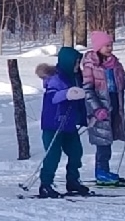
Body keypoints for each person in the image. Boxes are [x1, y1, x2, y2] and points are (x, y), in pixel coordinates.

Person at [79, 30, 125, 184]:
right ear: (98, 47)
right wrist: (96, 109)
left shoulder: (115, 64)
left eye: (111, 45)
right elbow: (87, 89)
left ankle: (105, 170)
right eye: (106, 45)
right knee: (103, 142)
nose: (110, 48)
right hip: (99, 109)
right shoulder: (91, 65)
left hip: (114, 104)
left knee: (108, 139)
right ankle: (101, 172)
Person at [33, 58, 91, 198]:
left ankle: (73, 180)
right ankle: (46, 184)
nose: (78, 66)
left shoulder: (77, 78)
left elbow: (80, 103)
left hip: (69, 124)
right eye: (75, 62)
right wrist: (66, 94)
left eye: (79, 62)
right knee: (53, 155)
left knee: (76, 152)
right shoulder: (55, 78)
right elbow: (53, 97)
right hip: (53, 124)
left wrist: (87, 118)